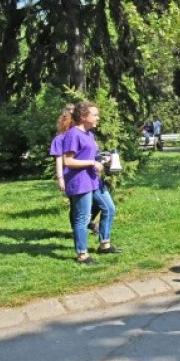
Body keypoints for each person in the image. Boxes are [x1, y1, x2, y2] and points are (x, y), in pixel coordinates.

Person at [62, 101, 121, 265]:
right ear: (83, 117)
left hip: (93, 180)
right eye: (94, 115)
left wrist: (103, 160)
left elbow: (90, 156)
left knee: (109, 208)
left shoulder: (89, 134)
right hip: (80, 182)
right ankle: (82, 255)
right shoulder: (73, 134)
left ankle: (104, 245)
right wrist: (91, 163)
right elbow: (68, 161)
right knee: (82, 218)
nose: (98, 117)